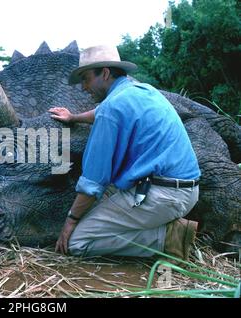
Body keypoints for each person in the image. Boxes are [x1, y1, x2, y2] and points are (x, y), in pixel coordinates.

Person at [49, 45, 201, 261]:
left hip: (162, 197)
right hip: (188, 191)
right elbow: (102, 111)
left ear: (105, 73)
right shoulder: (143, 90)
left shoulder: (112, 108)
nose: (83, 87)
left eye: (86, 78)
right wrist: (73, 117)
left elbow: (93, 182)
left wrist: (71, 221)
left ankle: (168, 238)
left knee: (78, 242)